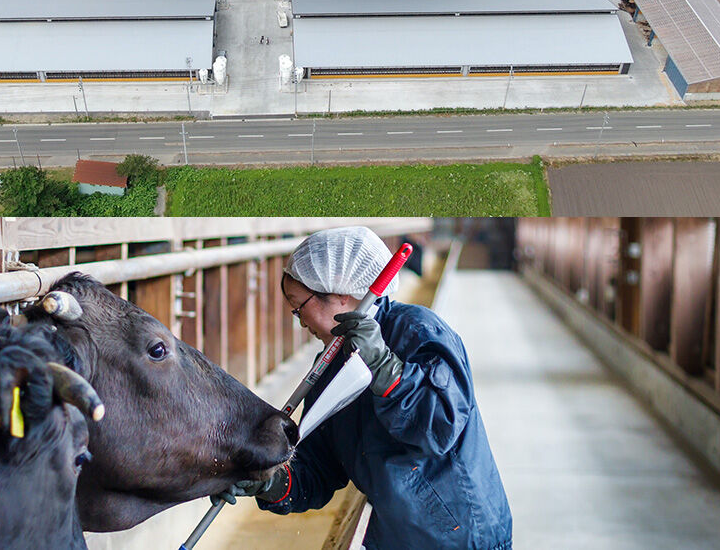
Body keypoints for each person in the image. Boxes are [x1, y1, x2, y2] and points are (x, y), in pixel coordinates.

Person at [213, 226, 512, 550]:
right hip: (395, 537)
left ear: (340, 291)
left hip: (460, 536)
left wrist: (385, 368)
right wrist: (268, 480)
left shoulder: (417, 331)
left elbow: (440, 427)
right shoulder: (328, 369)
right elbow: (319, 469)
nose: (300, 320)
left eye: (300, 306)